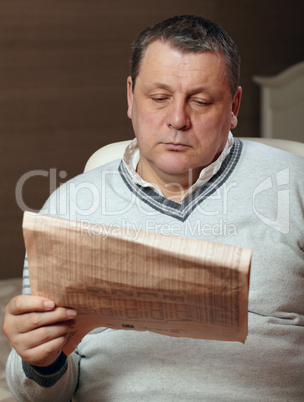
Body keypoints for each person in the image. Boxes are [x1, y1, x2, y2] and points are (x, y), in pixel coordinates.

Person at [3, 15, 304, 401]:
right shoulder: (67, 207)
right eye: (159, 98)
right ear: (131, 96)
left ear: (234, 105)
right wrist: (40, 361)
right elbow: (40, 394)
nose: (177, 120)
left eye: (201, 101)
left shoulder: (294, 186)